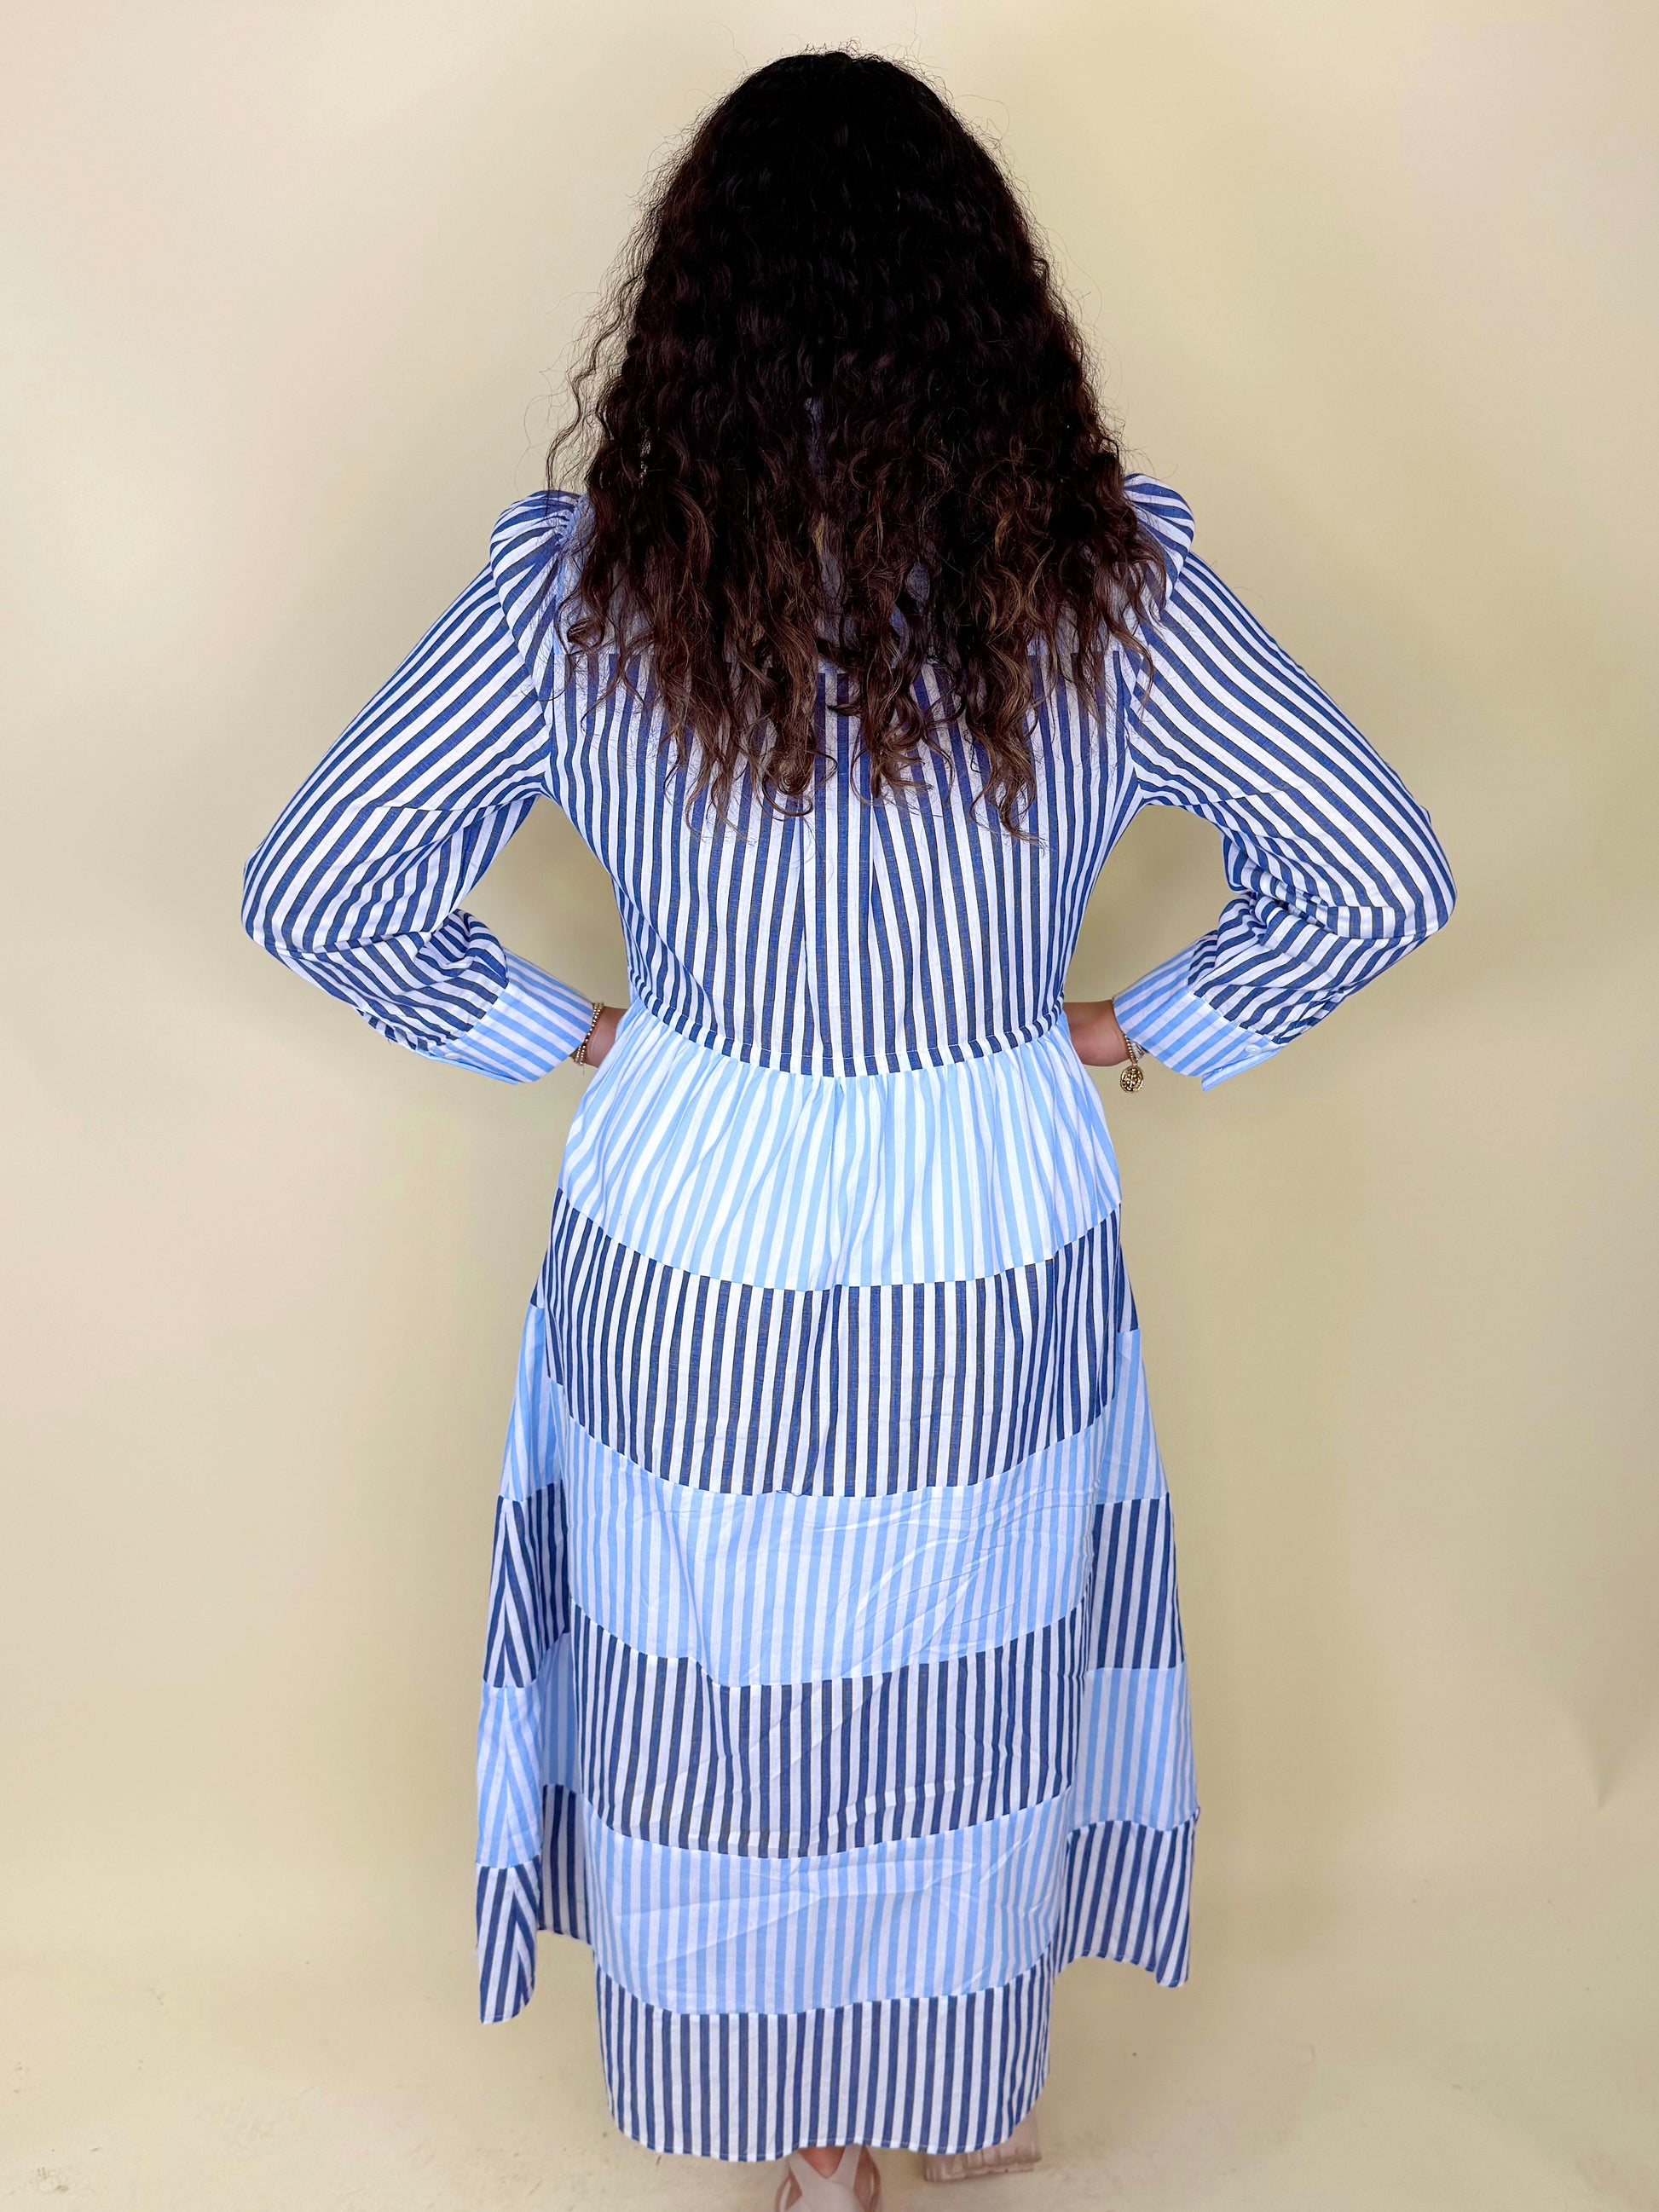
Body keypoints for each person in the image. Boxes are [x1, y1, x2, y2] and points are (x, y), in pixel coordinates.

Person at [240, 49, 1455, 2212]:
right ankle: (928, 2088)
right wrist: (1131, 1025)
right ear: (989, 308)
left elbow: (317, 882)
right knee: (964, 1664)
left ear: (686, 314)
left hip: (689, 1191)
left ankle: (797, 2135)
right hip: (986, 1192)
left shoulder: (583, 600)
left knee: (715, 1677)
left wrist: (573, 1032)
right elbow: (1378, 868)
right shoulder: (1105, 593)